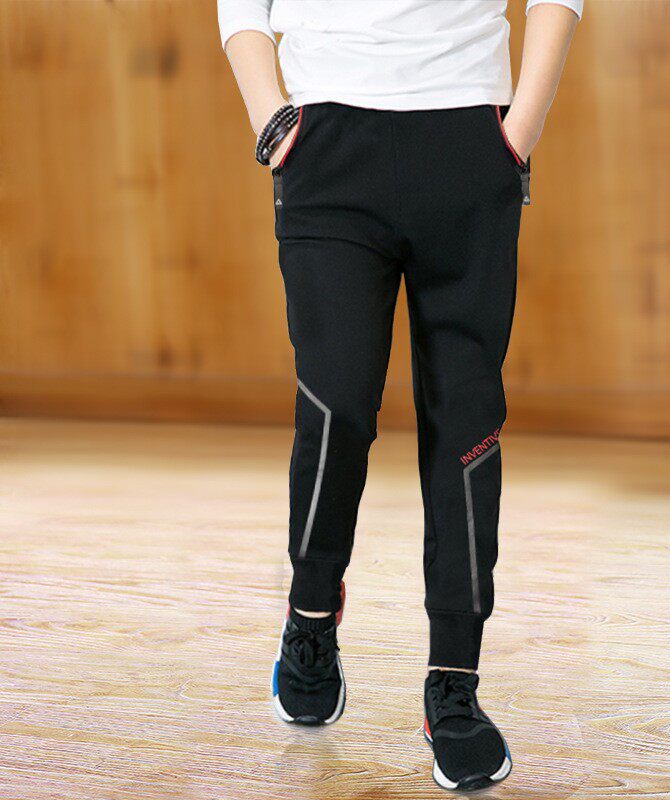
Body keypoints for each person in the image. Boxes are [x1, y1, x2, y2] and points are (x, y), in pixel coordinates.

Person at [217, 0, 581, 791]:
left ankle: (455, 683)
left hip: (469, 137)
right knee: (337, 404)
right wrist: (271, 117)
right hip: (328, 144)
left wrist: (520, 127)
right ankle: (312, 612)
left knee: (466, 420)